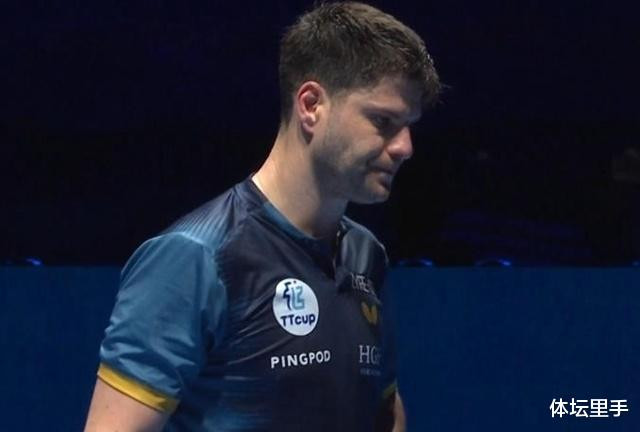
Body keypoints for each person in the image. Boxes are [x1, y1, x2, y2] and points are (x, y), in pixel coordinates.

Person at [84, 2, 440, 431]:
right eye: (383, 120)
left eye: (409, 125)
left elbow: (384, 407)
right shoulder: (197, 255)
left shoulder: (366, 255)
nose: (405, 147)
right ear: (311, 105)